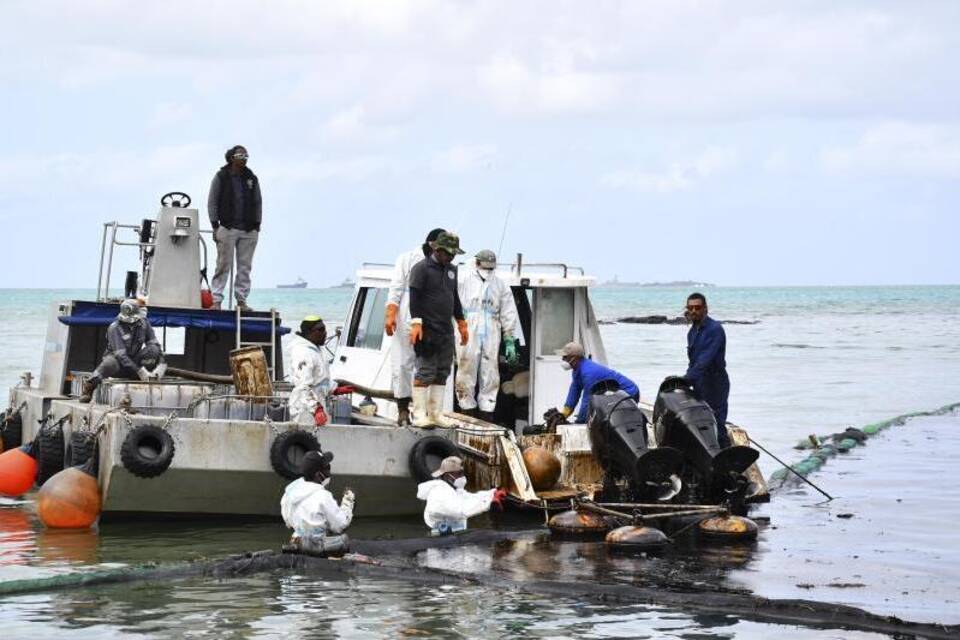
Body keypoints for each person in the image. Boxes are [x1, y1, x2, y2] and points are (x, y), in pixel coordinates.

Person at [407, 232, 469, 427]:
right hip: (427, 329)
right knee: (425, 371)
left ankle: (435, 413)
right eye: (448, 253)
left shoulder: (451, 270)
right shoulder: (421, 268)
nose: (451, 257)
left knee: (442, 371)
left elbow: (454, 297)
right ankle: (418, 414)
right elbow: (414, 297)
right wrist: (416, 322)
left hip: (446, 330)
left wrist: (461, 321)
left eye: (453, 254)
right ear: (437, 249)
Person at [384, 228, 446, 425]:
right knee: (403, 364)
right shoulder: (407, 259)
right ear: (431, 245)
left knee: (429, 365)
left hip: (432, 319)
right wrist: (391, 313)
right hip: (408, 317)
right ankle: (402, 410)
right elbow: (396, 287)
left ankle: (426, 412)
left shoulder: (444, 263)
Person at [455, 249, 520, 421]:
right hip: (469, 325)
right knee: (466, 368)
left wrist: (509, 337)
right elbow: (453, 303)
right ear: (476, 264)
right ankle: (466, 411)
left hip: (491, 327)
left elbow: (508, 311)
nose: (488, 272)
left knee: (491, 371)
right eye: (486, 268)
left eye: (491, 268)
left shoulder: (500, 284)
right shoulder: (463, 279)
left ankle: (486, 414)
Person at [208, 145, 262, 312]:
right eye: (240, 155)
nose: (244, 158)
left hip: (249, 228)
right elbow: (212, 201)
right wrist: (214, 225)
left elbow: (258, 201)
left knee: (245, 266)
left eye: (246, 155)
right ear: (232, 157)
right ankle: (216, 300)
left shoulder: (251, 178)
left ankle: (242, 300)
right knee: (223, 264)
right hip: (227, 226)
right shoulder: (221, 176)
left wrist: (257, 224)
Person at [79, 299, 164, 403]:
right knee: (109, 363)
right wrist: (140, 371)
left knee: (153, 350)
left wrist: (161, 363)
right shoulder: (114, 328)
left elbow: (154, 343)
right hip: (118, 364)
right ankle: (89, 386)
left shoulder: (144, 324)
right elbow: (121, 356)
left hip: (134, 361)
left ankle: (138, 379)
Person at [280, 450, 355, 555]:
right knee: (344, 541)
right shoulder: (323, 497)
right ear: (318, 475)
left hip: (295, 541)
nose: (329, 472)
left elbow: (288, 522)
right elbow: (340, 525)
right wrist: (348, 502)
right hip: (316, 547)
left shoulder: (290, 491)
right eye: (327, 468)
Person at [684, 292, 731, 448]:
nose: (693, 311)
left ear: (705, 309)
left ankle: (727, 463)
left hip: (715, 384)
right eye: (690, 308)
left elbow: (704, 360)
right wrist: (682, 380)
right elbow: (693, 362)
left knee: (717, 424)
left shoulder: (714, 329)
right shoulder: (692, 332)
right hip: (699, 384)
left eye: (697, 307)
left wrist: (686, 379)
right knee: (700, 424)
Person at [416, 456, 506, 535]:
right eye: (459, 474)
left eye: (462, 473)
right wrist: (489, 502)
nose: (462, 476)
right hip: (440, 540)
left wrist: (491, 494)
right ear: (447, 476)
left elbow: (469, 497)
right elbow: (462, 510)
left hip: (452, 533)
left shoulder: (453, 489)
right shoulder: (440, 492)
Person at [554, 342, 639, 424]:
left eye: (565, 357)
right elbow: (574, 392)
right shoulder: (577, 369)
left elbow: (587, 400)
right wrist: (564, 414)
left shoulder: (589, 373)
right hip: (612, 394)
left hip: (629, 394)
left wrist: (580, 421)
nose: (562, 359)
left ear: (575, 358)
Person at [286, 316, 333, 425]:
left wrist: (334, 388)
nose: (325, 333)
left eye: (325, 329)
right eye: (320, 330)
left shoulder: (316, 350)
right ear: (309, 332)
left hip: (318, 406)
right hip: (305, 410)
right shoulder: (303, 353)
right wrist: (315, 408)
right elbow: (303, 386)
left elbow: (320, 378)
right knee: (307, 439)